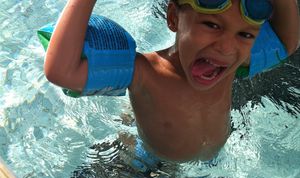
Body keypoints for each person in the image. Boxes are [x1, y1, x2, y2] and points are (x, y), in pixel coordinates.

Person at [43, 0, 300, 162]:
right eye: (212, 25)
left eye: (244, 33)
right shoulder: (146, 72)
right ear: (174, 18)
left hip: (210, 158)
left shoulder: (234, 62)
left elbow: (287, 44)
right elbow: (61, 71)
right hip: (149, 162)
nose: (226, 47)